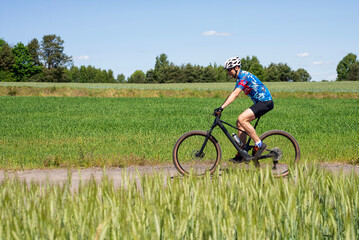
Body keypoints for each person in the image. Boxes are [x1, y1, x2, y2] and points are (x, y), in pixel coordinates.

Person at [213, 56, 274, 163]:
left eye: (229, 69)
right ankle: (242, 152)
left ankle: (260, 144)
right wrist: (221, 107)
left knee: (242, 119)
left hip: (265, 102)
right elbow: (233, 93)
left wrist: (222, 108)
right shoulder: (240, 78)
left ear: (236, 67)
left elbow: (236, 94)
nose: (228, 72)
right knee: (239, 123)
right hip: (260, 103)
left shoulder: (244, 76)